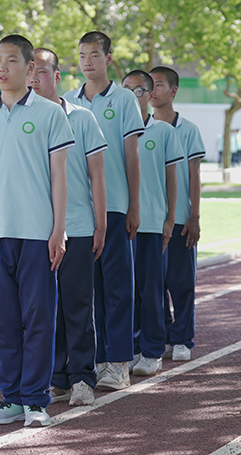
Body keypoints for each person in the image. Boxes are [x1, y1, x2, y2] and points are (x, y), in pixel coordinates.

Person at [0, 34, 74, 428]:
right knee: (1, 321)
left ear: (30, 68)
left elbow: (59, 176)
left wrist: (58, 229)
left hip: (37, 233)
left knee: (39, 318)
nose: (2, 67)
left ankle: (35, 401)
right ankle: (11, 398)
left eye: (11, 60)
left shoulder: (50, 114)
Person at [62, 31, 144, 391]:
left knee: (117, 288)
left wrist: (133, 205)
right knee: (85, 290)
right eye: (82, 55)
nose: (88, 62)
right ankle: (95, 360)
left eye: (95, 55)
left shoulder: (124, 99)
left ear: (108, 59)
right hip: (80, 211)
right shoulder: (67, 102)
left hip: (114, 206)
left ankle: (119, 362)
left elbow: (131, 155)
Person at [29, 48, 107, 406]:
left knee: (77, 304)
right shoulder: (24, 120)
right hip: (35, 230)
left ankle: (82, 378)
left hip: (76, 227)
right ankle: (57, 378)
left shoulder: (83, 118)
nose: (34, 79)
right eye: (30, 71)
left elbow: (97, 175)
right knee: (45, 309)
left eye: (42, 72)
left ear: (57, 76)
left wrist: (100, 224)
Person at [122, 70, 183, 376]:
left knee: (151, 291)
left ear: (149, 94)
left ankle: (152, 350)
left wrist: (170, 219)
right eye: (126, 90)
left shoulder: (163, 132)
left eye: (138, 90)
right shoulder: (115, 130)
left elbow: (172, 179)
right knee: (124, 292)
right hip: (120, 224)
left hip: (151, 225)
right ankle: (130, 348)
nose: (132, 96)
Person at [150, 66, 206, 362]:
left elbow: (194, 174)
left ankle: (182, 338)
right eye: (150, 85)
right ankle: (163, 336)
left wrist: (194, 215)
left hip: (181, 220)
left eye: (159, 84)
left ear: (173, 91)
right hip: (150, 221)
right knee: (153, 284)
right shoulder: (140, 127)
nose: (153, 90)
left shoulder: (188, 130)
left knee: (181, 283)